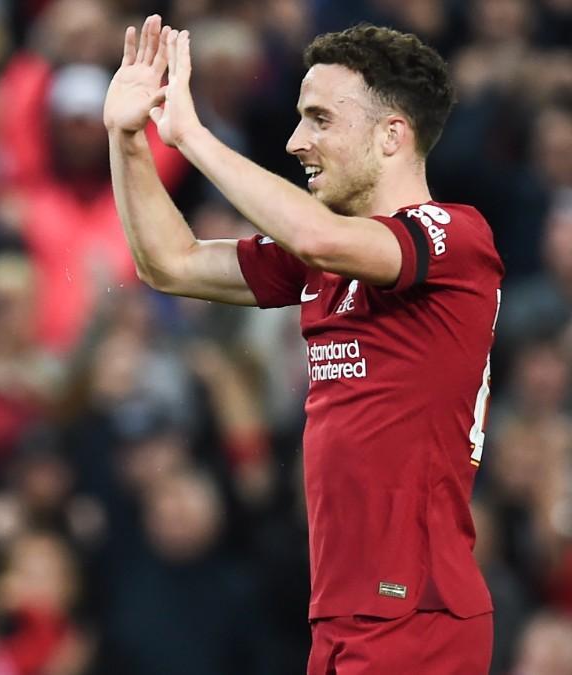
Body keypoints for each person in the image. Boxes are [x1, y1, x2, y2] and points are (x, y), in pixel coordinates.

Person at [104, 16, 501, 674]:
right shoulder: (324, 259)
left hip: (417, 611)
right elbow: (170, 263)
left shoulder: (455, 236)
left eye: (320, 119)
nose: (295, 141)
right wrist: (128, 139)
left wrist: (193, 135)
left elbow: (318, 237)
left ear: (391, 134)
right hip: (342, 610)